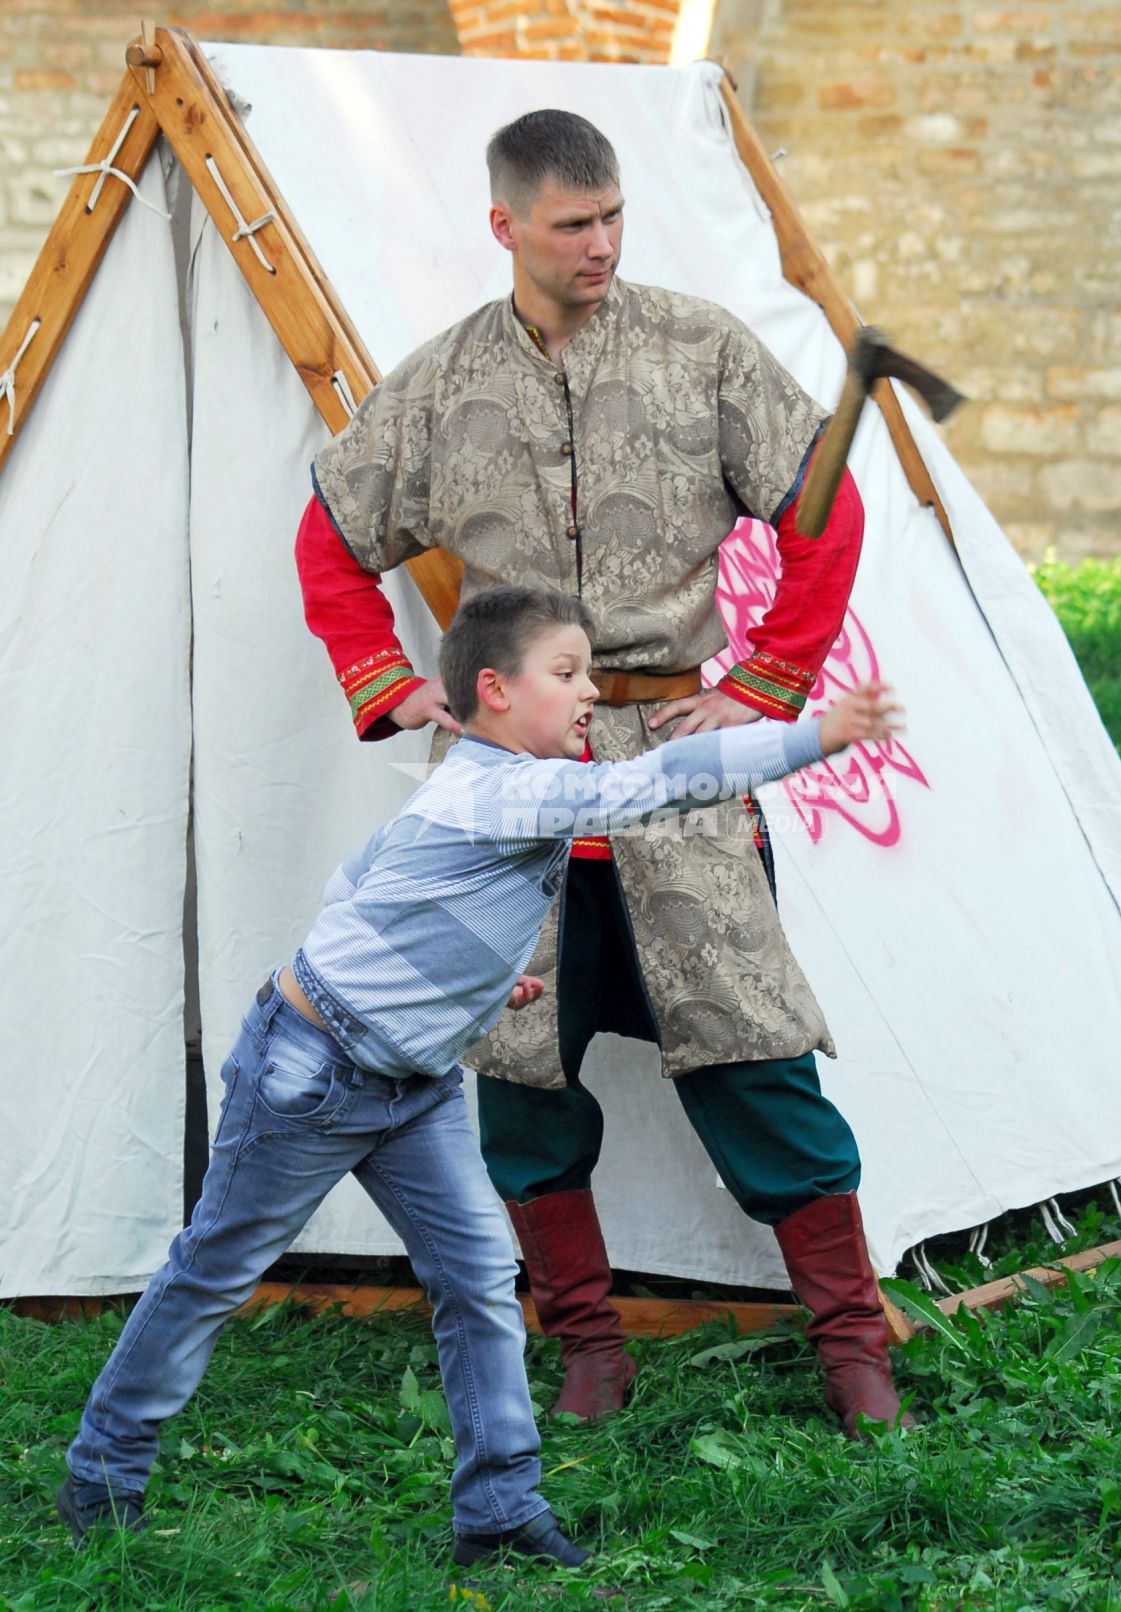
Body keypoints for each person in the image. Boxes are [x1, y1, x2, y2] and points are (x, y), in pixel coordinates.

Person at [57, 587, 902, 1558]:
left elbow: (361, 885)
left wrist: (460, 984)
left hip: (407, 1078)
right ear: (494, 690)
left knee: (476, 1277)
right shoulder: (510, 788)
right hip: (311, 1069)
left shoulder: (472, 781)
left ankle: (499, 1511)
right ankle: (102, 1471)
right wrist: (812, 734)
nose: (591, 691)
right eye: (567, 672)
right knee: (213, 1268)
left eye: (588, 670)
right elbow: (659, 781)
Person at [295, 109, 910, 1436]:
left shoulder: (701, 349)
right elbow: (331, 537)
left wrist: (764, 682)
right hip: (512, 795)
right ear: (506, 223)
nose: (602, 244)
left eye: (614, 216)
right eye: (574, 223)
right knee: (519, 1073)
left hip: (676, 767)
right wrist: (386, 683)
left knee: (754, 1048)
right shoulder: (439, 383)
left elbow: (823, 504)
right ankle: (587, 1345)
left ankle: (854, 1348)